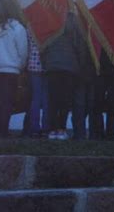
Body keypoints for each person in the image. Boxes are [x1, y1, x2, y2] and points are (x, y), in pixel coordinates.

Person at [41, 8, 86, 140]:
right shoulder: (74, 22)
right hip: (70, 66)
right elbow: (80, 46)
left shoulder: (49, 21)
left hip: (52, 65)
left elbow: (43, 45)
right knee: (65, 101)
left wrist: (45, 62)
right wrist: (80, 64)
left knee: (53, 99)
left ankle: (52, 130)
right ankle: (61, 129)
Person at [0, 0, 28, 137]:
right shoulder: (18, 28)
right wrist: (21, 65)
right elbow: (22, 51)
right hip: (11, 69)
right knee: (8, 101)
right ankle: (3, 130)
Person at [26, 29, 49, 138]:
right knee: (46, 99)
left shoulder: (30, 26)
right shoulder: (50, 23)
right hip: (47, 65)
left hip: (33, 64)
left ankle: (34, 128)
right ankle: (45, 127)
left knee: (35, 98)